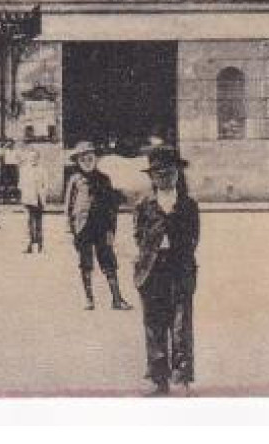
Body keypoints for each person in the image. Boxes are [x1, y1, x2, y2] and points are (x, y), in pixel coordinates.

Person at [132, 144, 200, 395]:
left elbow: (193, 237)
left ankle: (181, 377)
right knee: (154, 324)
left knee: (181, 324)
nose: (165, 177)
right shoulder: (144, 204)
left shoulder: (188, 205)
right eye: (159, 173)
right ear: (151, 177)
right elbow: (138, 235)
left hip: (179, 268)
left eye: (170, 172)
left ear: (178, 174)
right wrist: (151, 250)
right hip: (151, 270)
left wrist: (177, 248)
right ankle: (157, 378)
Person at [64, 141, 132, 311]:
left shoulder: (104, 179)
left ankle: (117, 299)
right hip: (82, 227)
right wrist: (69, 229)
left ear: (96, 159)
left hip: (101, 226)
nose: (87, 161)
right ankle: (89, 299)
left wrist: (111, 230)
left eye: (90, 157)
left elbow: (111, 208)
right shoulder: (75, 180)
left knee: (108, 261)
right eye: (83, 159)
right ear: (78, 161)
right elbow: (68, 206)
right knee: (85, 262)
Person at [17, 149, 49, 253]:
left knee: (39, 222)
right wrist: (25, 196)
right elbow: (21, 185)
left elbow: (46, 185)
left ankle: (40, 245)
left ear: (38, 158)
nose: (33, 159)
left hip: (39, 199)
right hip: (28, 198)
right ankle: (29, 245)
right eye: (31, 157)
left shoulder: (42, 170)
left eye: (35, 157)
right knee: (28, 223)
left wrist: (42, 195)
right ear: (28, 158)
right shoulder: (24, 170)